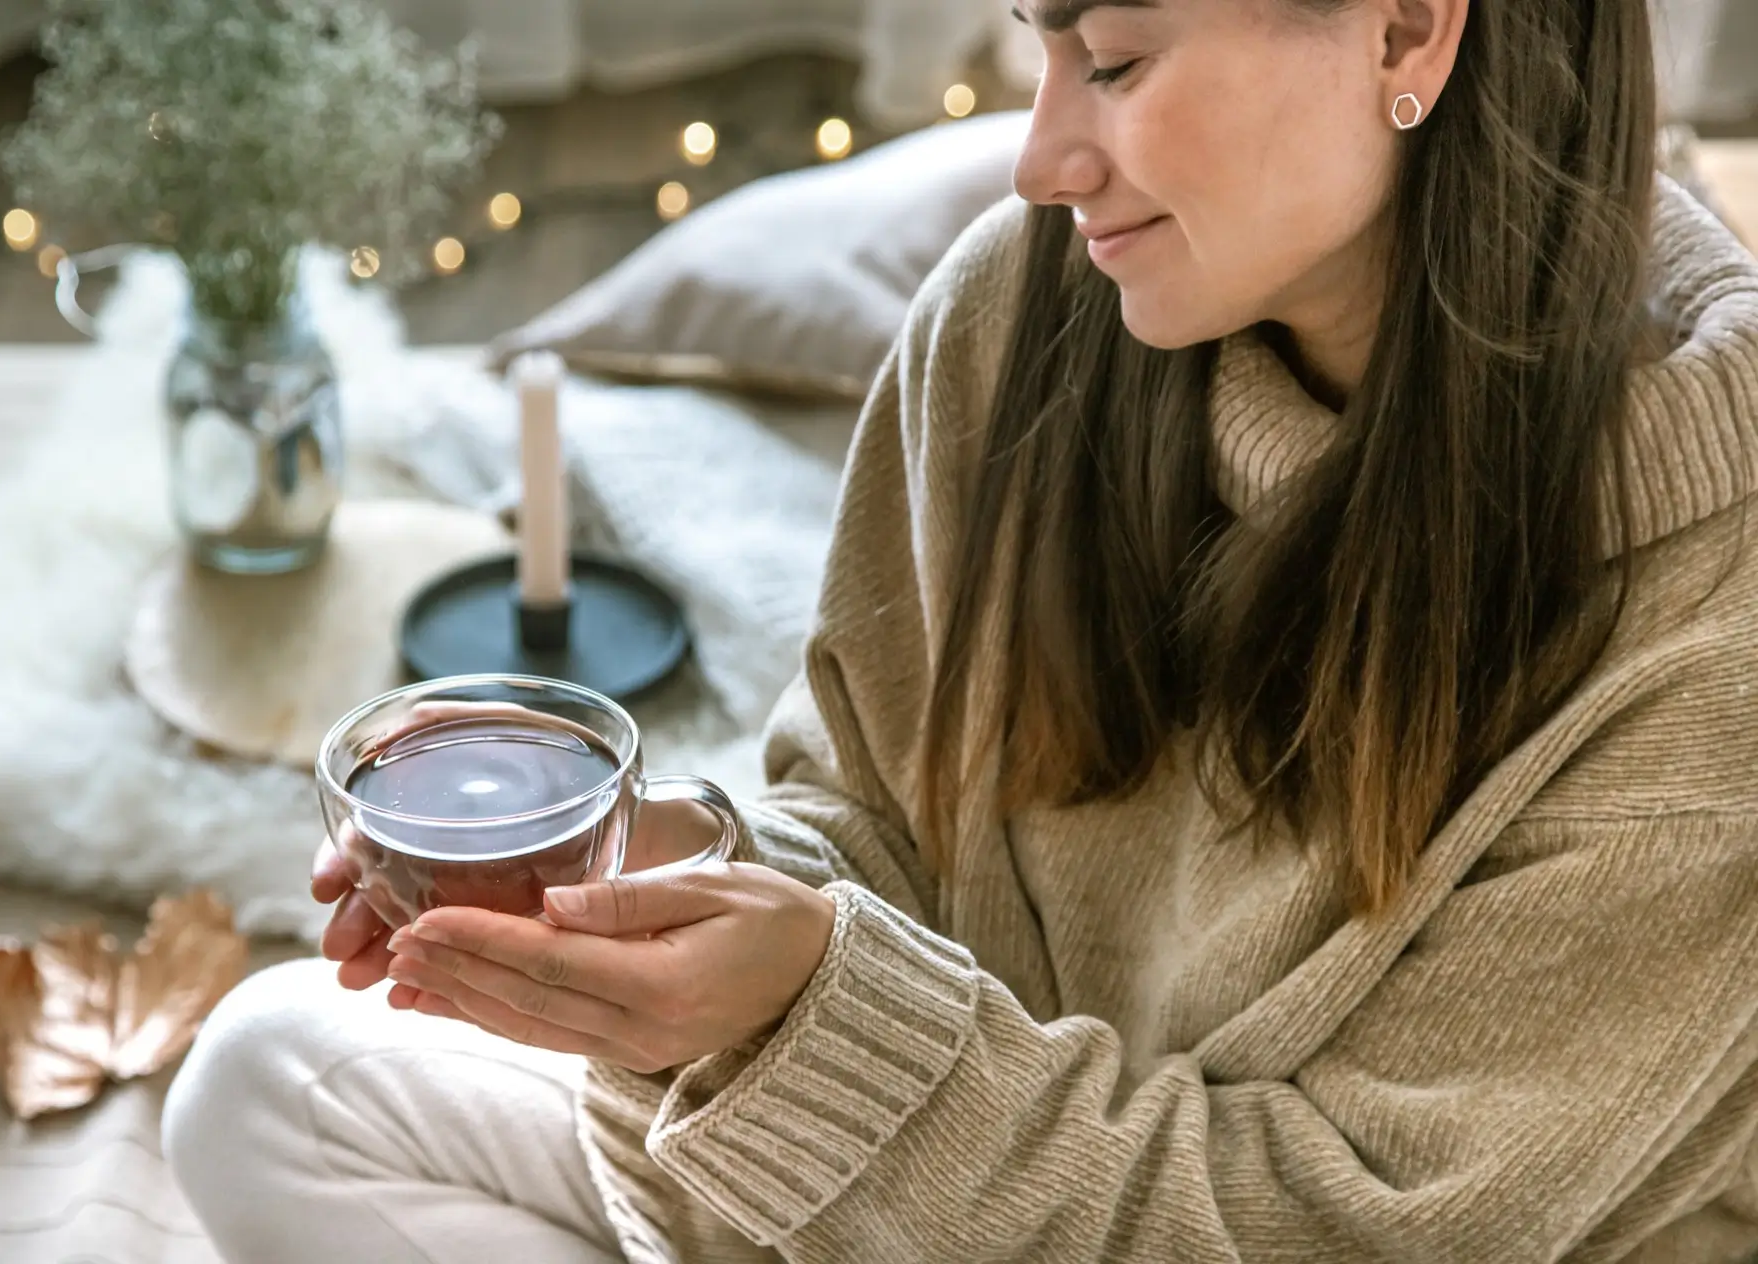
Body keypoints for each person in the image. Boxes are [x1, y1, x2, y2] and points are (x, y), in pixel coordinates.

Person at [163, 0, 1758, 1259]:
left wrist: (813, 1030)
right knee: (267, 1081)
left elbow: (1328, 1227)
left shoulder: (1710, 639)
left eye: (1117, 60)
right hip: (969, 1184)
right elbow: (871, 823)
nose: (1040, 156)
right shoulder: (1028, 316)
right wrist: (666, 880)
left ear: (1408, 32)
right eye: (1039, 47)